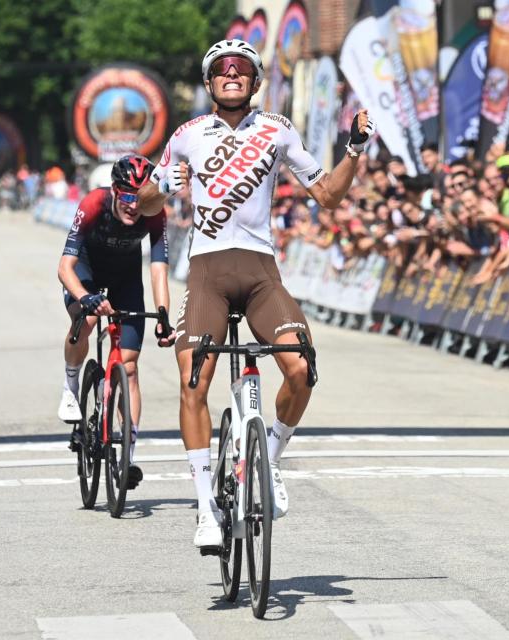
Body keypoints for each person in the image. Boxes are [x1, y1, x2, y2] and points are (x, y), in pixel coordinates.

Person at [135, 39, 376, 549]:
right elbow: (142, 204)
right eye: (222, 69)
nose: (231, 74)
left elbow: (328, 195)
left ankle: (269, 456)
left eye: (241, 68)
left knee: (302, 367)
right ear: (209, 83)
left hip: (262, 272)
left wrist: (353, 150)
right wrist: (163, 183)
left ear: (255, 81)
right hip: (207, 273)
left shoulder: (277, 128)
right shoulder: (186, 135)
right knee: (193, 379)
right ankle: (206, 508)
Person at [58, 155, 175, 490]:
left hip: (125, 279)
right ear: (113, 190)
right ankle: (70, 385)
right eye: (126, 196)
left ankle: (128, 457)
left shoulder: (155, 213)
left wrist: (163, 315)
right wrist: (85, 298)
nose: (134, 206)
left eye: (141, 198)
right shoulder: (93, 203)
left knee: (131, 368)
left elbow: (158, 269)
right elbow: (65, 267)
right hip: (87, 271)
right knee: (86, 321)